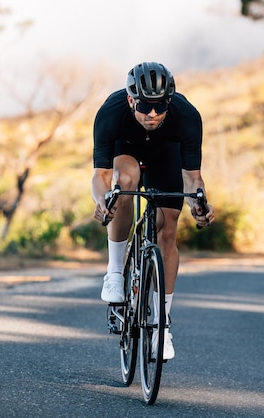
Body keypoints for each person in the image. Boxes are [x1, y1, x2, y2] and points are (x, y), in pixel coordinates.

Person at [91, 61, 214, 360]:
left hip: (165, 157)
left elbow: (193, 179)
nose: (153, 114)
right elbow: (101, 177)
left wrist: (200, 205)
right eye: (146, 107)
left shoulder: (186, 116)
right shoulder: (111, 111)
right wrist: (102, 200)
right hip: (127, 151)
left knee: (168, 229)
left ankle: (162, 327)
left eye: (160, 107)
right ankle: (115, 272)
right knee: (125, 183)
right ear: (132, 99)